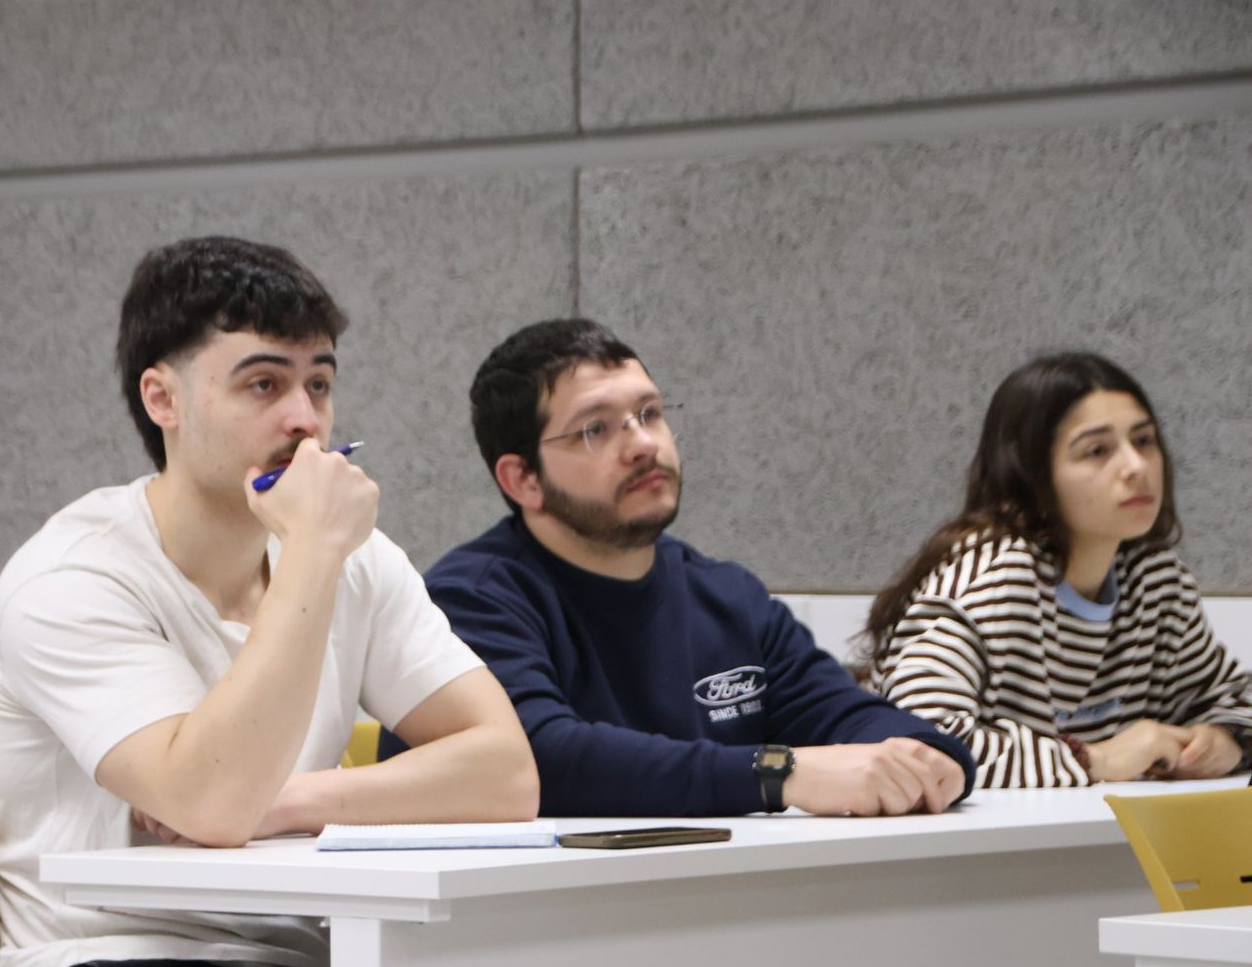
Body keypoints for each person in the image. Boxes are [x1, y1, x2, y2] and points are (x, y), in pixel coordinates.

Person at [0, 236, 538, 967]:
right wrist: (310, 550)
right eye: (264, 383)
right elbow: (212, 802)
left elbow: (507, 773)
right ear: (163, 399)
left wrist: (292, 802)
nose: (305, 419)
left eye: (320, 383)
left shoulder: (350, 557)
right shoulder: (70, 577)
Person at [386, 317, 974, 817]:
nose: (643, 444)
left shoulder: (728, 596)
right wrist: (777, 773)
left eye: (649, 413)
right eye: (595, 429)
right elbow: (535, 760)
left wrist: (924, 757)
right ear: (523, 480)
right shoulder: (469, 600)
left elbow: (852, 718)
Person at [863, 351, 1252, 787]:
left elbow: (1233, 698)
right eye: (1097, 451)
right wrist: (1097, 759)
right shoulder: (993, 577)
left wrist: (1229, 738)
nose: (1136, 467)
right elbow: (915, 744)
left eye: (1144, 440)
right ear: (1032, 474)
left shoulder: (1156, 580)